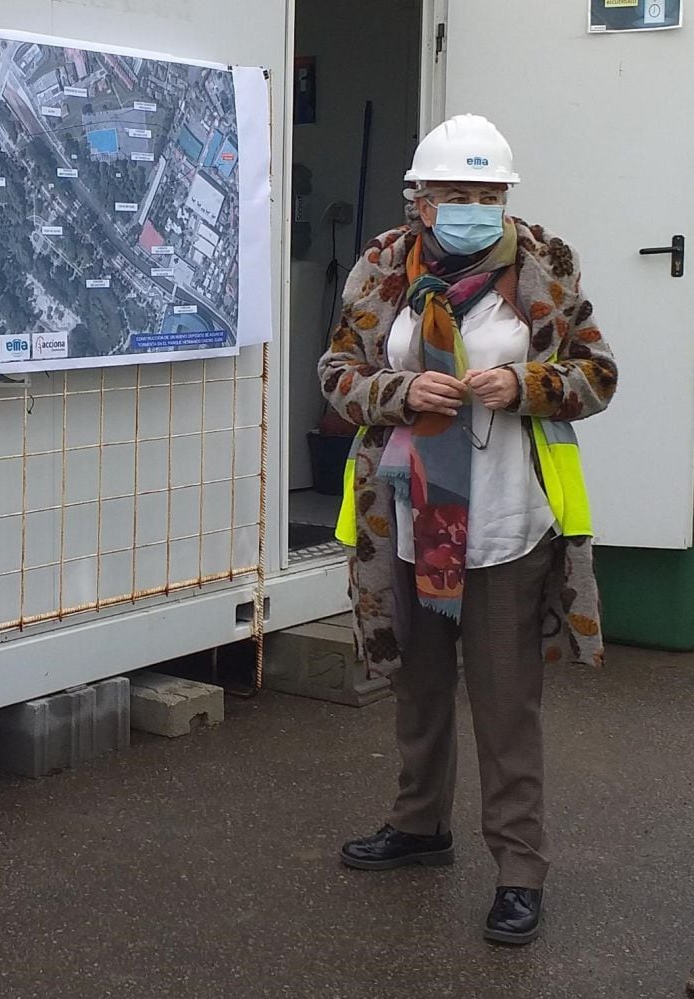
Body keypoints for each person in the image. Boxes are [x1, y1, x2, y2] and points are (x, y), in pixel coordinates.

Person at [317, 114, 618, 945]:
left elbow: (597, 374)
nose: (474, 206)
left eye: (489, 193)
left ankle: (520, 871)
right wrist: (398, 395)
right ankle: (420, 827)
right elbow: (338, 373)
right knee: (417, 687)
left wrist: (524, 385)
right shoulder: (383, 265)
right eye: (457, 192)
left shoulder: (543, 264)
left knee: (504, 702)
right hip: (407, 523)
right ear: (420, 200)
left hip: (506, 525)